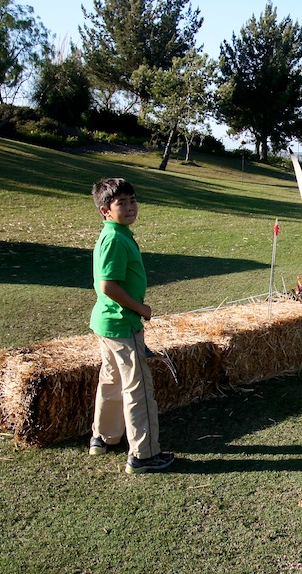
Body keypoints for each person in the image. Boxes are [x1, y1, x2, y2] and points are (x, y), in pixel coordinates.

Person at [88, 177, 174, 473]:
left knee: (111, 381)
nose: (129, 207)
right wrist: (142, 309)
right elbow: (108, 285)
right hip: (122, 324)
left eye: (132, 200)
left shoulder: (116, 233)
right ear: (105, 210)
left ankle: (104, 437)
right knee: (138, 388)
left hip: (108, 323)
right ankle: (144, 455)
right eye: (120, 203)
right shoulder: (114, 238)